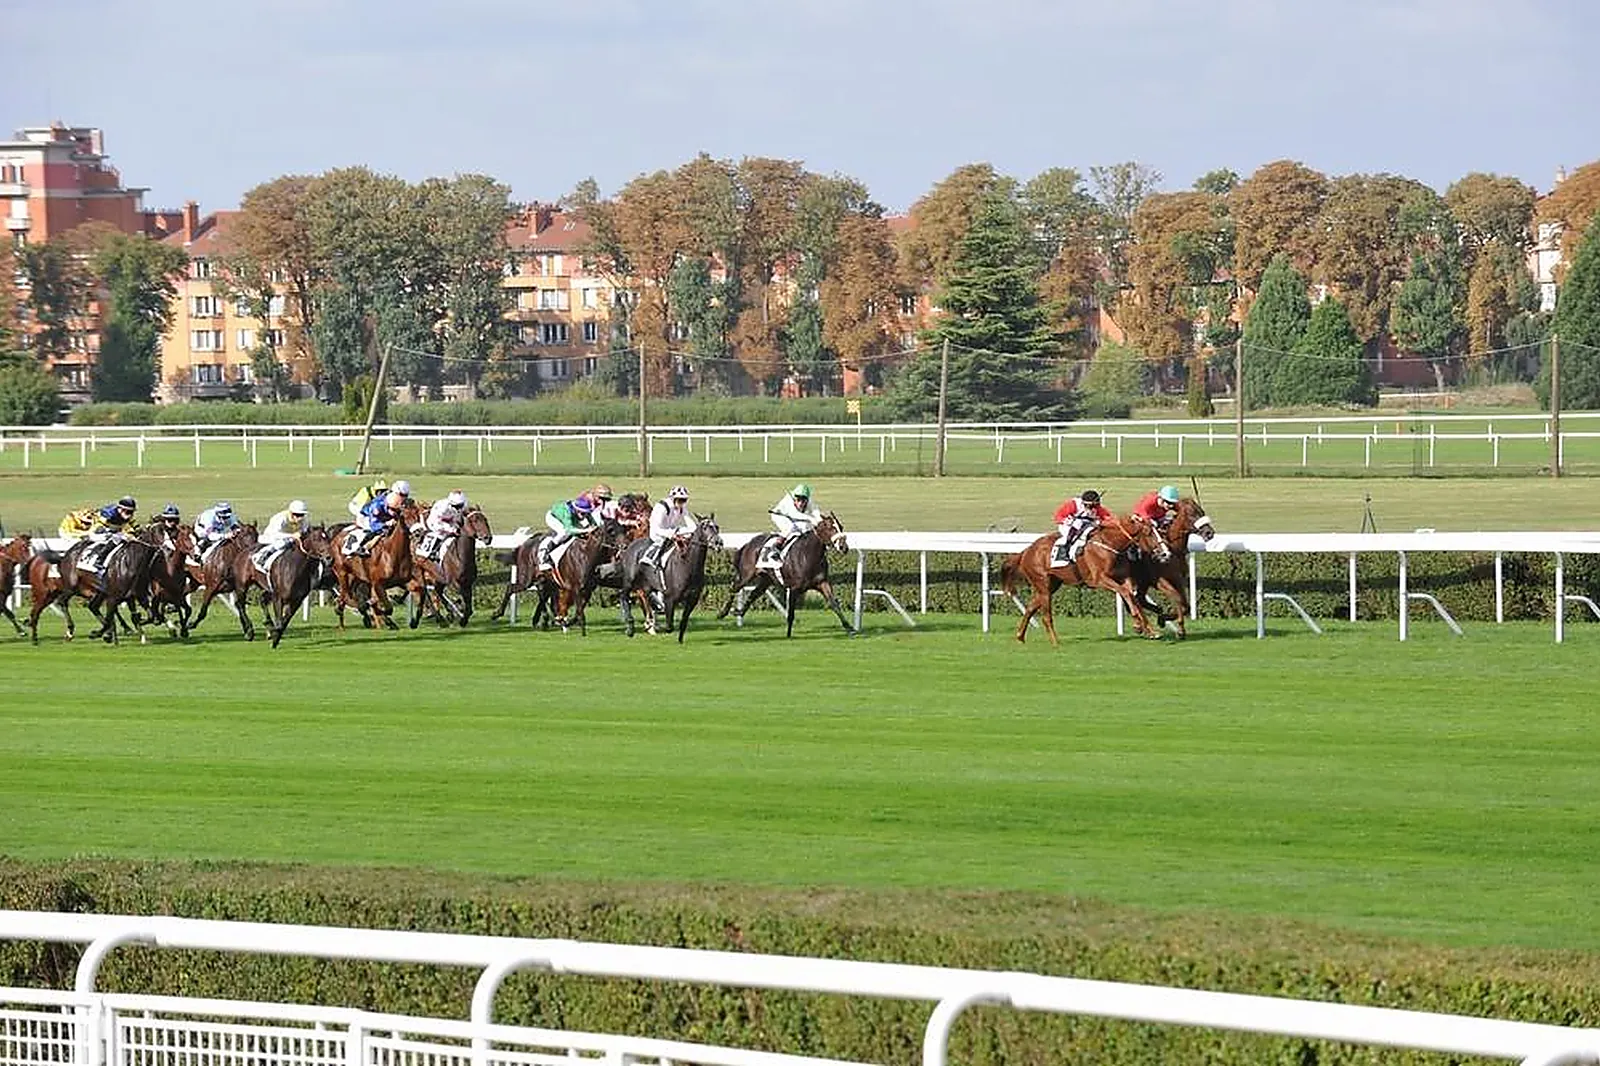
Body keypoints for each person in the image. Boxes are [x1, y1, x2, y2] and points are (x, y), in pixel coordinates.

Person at [642, 485, 698, 607]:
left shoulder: (682, 508)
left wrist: (688, 533)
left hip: (671, 533)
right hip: (658, 536)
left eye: (684, 500)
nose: (682, 503)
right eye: (680, 500)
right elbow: (656, 528)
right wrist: (672, 534)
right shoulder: (662, 507)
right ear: (673, 498)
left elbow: (692, 526)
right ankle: (652, 562)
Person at [62, 496, 138, 570]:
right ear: (120, 509)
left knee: (120, 538)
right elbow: (98, 528)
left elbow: (133, 526)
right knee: (109, 538)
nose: (130, 515)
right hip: (93, 529)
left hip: (110, 530)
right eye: (128, 512)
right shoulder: (108, 514)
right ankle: (98, 559)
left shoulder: (126, 516)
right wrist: (111, 533)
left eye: (131, 512)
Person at [760, 482, 823, 569]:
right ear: (794, 498)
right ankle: (775, 548)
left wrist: (821, 522)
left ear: (807, 499)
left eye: (803, 501)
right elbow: (796, 514)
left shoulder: (809, 501)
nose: (800, 503)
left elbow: (816, 511)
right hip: (779, 515)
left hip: (790, 516)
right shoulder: (788, 500)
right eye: (798, 500)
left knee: (806, 527)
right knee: (789, 527)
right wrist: (811, 519)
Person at [538, 494, 600, 572]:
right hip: (553, 518)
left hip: (571, 518)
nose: (585, 516)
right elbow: (569, 529)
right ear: (577, 510)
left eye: (587, 513)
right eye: (583, 514)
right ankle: (546, 553)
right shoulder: (567, 512)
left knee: (581, 530)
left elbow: (593, 524)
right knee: (563, 533)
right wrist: (586, 530)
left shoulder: (583, 511)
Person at [1052, 489, 1114, 566]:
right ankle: (1063, 551)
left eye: (1095, 505)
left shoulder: (1097, 508)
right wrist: (1069, 521)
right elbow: (1058, 516)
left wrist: (1101, 522)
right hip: (1068, 525)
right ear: (1084, 503)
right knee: (1076, 525)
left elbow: (1108, 518)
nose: (1093, 508)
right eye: (1091, 506)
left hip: (1087, 525)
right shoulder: (1073, 504)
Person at [351, 484, 409, 555]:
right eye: (402, 495)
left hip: (384, 517)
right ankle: (362, 547)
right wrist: (385, 524)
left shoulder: (397, 501)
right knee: (381, 531)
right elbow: (374, 524)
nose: (404, 498)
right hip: (366, 518)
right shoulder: (377, 505)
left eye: (405, 495)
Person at [254, 499, 311, 570]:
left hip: (291, 538)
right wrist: (292, 535)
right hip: (271, 538)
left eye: (301, 515)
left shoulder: (304, 520)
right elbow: (275, 534)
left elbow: (304, 530)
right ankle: (263, 556)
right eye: (297, 515)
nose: (299, 518)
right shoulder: (280, 518)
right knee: (282, 543)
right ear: (290, 512)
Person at [421, 489, 468, 560]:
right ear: (451, 504)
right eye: (457, 507)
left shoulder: (463, 504)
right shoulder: (442, 508)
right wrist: (451, 529)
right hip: (435, 524)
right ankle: (430, 552)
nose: (459, 509)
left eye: (460, 506)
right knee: (440, 535)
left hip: (450, 522)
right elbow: (436, 523)